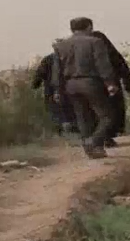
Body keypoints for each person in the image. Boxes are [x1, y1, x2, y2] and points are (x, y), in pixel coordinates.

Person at [51, 17, 119, 159]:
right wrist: (110, 83)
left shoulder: (61, 45)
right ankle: (93, 142)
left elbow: (56, 70)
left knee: (82, 117)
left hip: (71, 85)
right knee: (107, 116)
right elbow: (102, 65)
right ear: (89, 27)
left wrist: (57, 90)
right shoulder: (95, 42)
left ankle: (91, 149)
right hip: (91, 82)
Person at [89, 28, 130, 147]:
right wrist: (128, 85)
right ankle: (106, 138)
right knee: (111, 112)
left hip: (96, 85)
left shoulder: (87, 52)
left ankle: (99, 138)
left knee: (99, 113)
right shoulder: (109, 51)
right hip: (110, 85)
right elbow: (122, 67)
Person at [30, 51, 79, 135]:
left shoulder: (48, 59)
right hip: (69, 89)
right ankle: (73, 130)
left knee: (55, 112)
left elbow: (39, 74)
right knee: (71, 111)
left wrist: (34, 85)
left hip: (51, 91)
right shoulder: (71, 58)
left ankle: (61, 131)